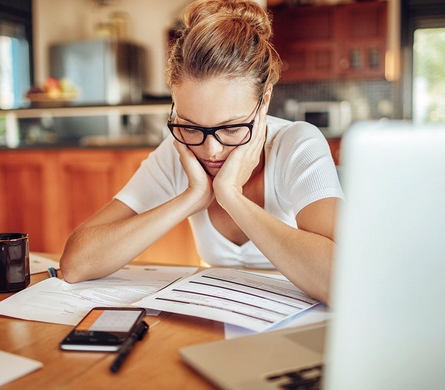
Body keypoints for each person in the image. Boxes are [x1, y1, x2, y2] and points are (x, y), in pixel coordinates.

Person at [60, 0, 344, 303]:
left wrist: (231, 196)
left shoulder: (297, 144)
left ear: (264, 101)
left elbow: (343, 281)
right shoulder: (177, 152)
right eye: (192, 126)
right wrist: (191, 197)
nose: (211, 150)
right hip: (218, 319)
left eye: (232, 129)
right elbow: (76, 265)